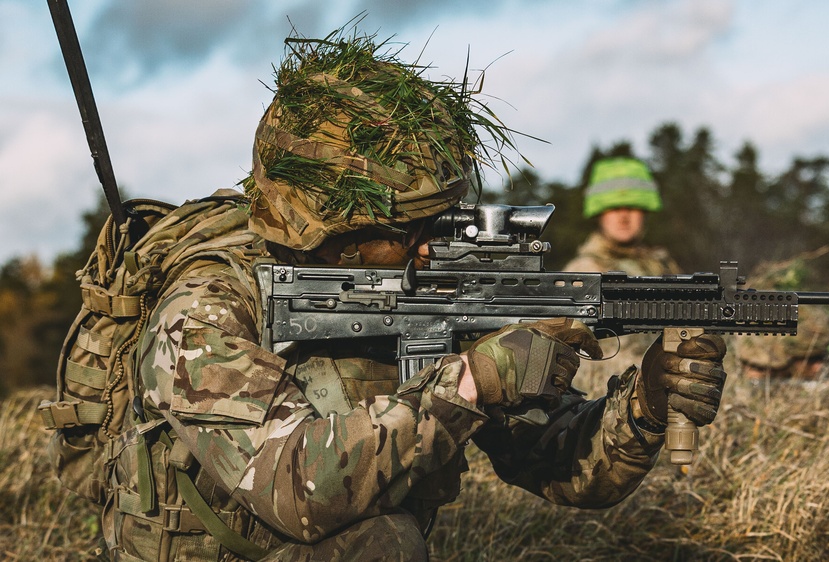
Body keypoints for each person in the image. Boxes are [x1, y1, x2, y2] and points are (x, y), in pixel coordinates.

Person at [98, 29, 728, 561]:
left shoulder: (428, 285)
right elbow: (296, 489)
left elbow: (565, 465)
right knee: (383, 543)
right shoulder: (205, 310)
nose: (438, 245)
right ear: (332, 234)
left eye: (444, 219)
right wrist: (472, 383)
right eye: (412, 230)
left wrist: (645, 402)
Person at [564, 156, 683, 395]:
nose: (623, 216)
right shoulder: (584, 270)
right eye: (614, 208)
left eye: (631, 207)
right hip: (610, 391)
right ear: (599, 213)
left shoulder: (662, 265)